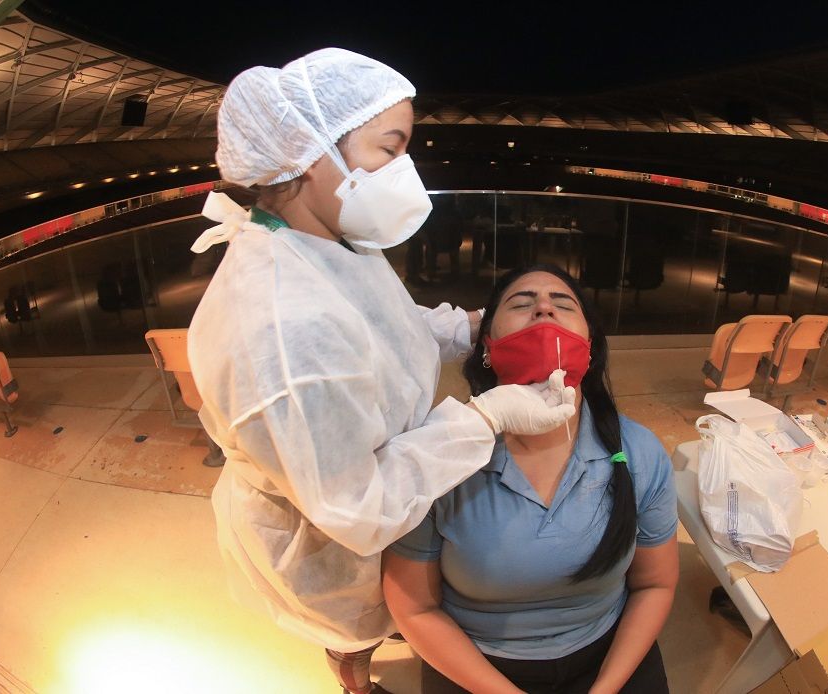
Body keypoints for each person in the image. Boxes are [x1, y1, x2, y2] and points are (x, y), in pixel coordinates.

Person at [186, 49, 576, 694]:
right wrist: (490, 415)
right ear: (311, 156)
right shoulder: (285, 326)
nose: (403, 173)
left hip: (383, 485)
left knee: (395, 604)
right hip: (328, 536)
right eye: (387, 149)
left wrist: (474, 326)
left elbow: (386, 325)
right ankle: (356, 681)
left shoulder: (324, 243)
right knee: (354, 626)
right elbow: (356, 505)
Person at [383, 264, 680, 694]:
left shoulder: (638, 452)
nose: (543, 307)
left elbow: (655, 583)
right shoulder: (438, 454)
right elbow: (416, 609)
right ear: (488, 347)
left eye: (563, 304)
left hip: (607, 654)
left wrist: (605, 688)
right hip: (474, 663)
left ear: (590, 347)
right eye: (521, 303)